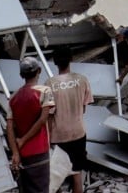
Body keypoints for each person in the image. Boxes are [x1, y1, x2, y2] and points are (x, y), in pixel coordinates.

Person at [48, 48, 92, 193]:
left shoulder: (49, 84)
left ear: (55, 62)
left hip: (58, 135)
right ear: (71, 59)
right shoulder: (82, 79)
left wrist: (48, 138)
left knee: (56, 175)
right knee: (77, 173)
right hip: (78, 133)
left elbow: (49, 115)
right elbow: (84, 108)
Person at [7, 57, 55, 193]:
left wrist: (15, 152)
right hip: (40, 151)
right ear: (39, 70)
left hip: (23, 155)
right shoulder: (44, 91)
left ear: (21, 75)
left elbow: (9, 127)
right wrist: (24, 139)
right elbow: (43, 119)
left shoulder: (13, 97)